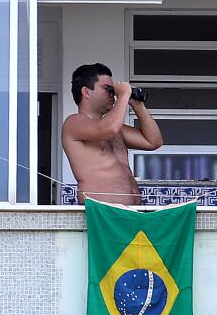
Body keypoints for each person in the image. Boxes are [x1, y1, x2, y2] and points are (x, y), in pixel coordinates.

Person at [60, 63, 164, 207]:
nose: (112, 94)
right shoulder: (74, 123)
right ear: (86, 92)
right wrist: (123, 95)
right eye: (107, 89)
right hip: (102, 215)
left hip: (131, 213)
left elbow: (153, 141)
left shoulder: (115, 128)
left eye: (113, 90)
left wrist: (137, 104)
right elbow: (109, 129)